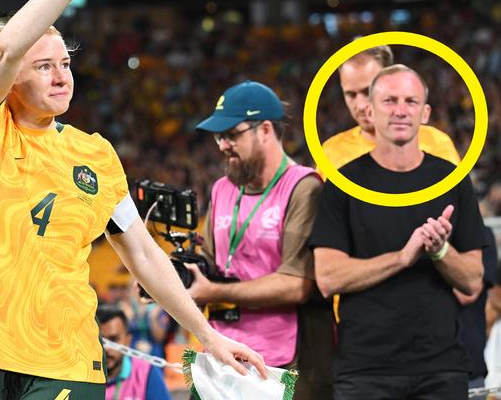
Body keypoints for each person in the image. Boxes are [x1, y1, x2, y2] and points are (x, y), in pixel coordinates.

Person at [0, 0, 266, 399]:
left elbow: (140, 253)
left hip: (66, 358)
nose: (61, 76)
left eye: (66, 64)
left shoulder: (94, 153)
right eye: (44, 66)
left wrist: (207, 334)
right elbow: (7, 47)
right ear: (10, 82)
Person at [310, 64, 486, 400]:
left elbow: (473, 281)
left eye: (411, 101)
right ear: (371, 111)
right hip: (364, 370)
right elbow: (328, 277)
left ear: (425, 113)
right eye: (390, 101)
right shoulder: (342, 183)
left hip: (441, 368)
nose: (401, 110)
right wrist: (401, 258)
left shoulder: (453, 179)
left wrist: (440, 252)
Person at [188, 80, 334, 399]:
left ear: (265, 130)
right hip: (222, 352)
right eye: (219, 137)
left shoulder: (304, 188)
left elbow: (297, 284)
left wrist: (213, 291)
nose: (223, 145)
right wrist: (180, 278)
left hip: (282, 363)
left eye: (231, 135)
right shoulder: (222, 188)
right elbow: (211, 264)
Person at [320, 45, 460, 177]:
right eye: (351, 94)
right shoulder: (331, 153)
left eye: (368, 91)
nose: (361, 105)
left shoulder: (437, 144)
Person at [97, 303, 171, 400]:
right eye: (100, 341)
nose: (106, 348)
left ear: (128, 340)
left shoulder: (146, 373)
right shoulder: (78, 374)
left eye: (113, 340)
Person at [457, 227, 497, 399]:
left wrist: (439, 252)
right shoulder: (420, 233)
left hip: (469, 365)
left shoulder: (481, 234)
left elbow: (469, 292)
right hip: (424, 365)